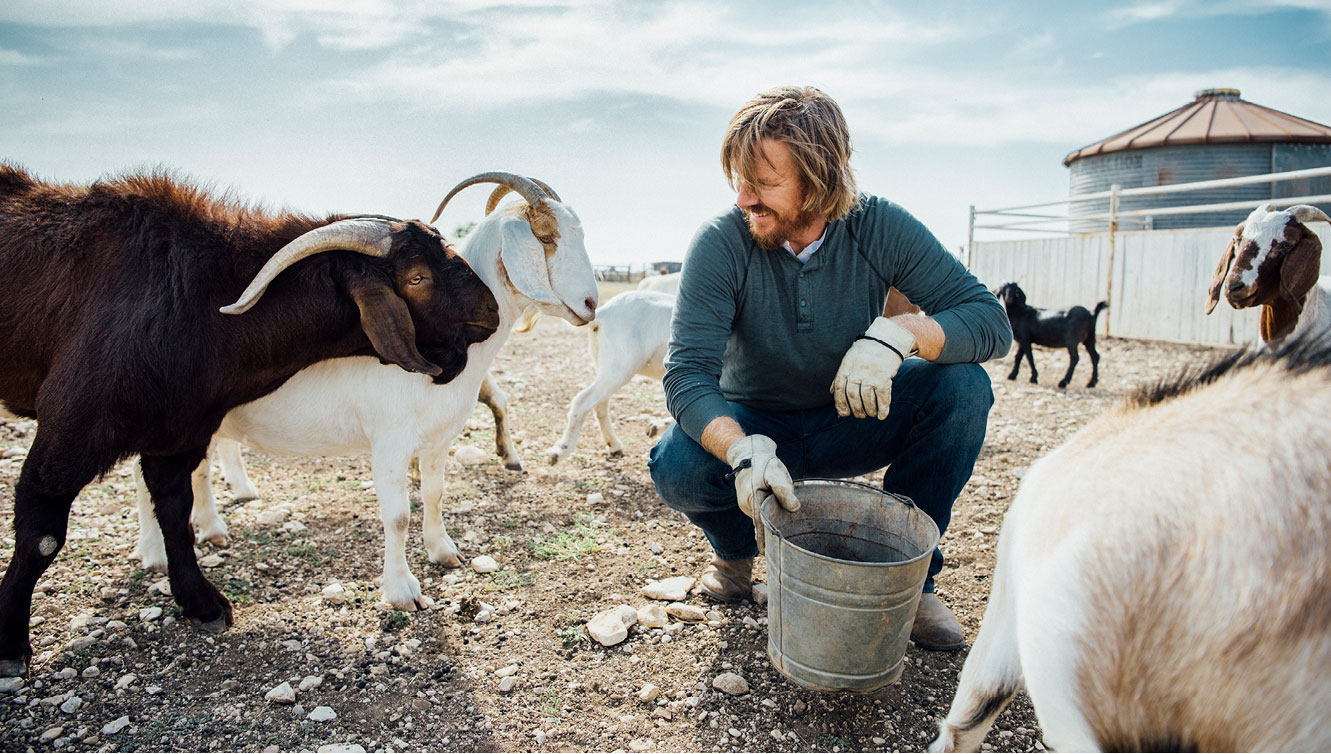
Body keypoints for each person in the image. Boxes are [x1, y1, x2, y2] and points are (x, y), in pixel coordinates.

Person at [647, 86, 1012, 651]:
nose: (744, 197)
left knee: (963, 386)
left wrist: (900, 334)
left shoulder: (881, 226)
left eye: (764, 183)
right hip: (758, 430)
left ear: (817, 180)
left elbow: (990, 322)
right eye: (737, 181)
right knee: (675, 462)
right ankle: (735, 558)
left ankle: (911, 579)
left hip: (854, 416)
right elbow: (687, 374)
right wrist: (742, 450)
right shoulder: (721, 243)